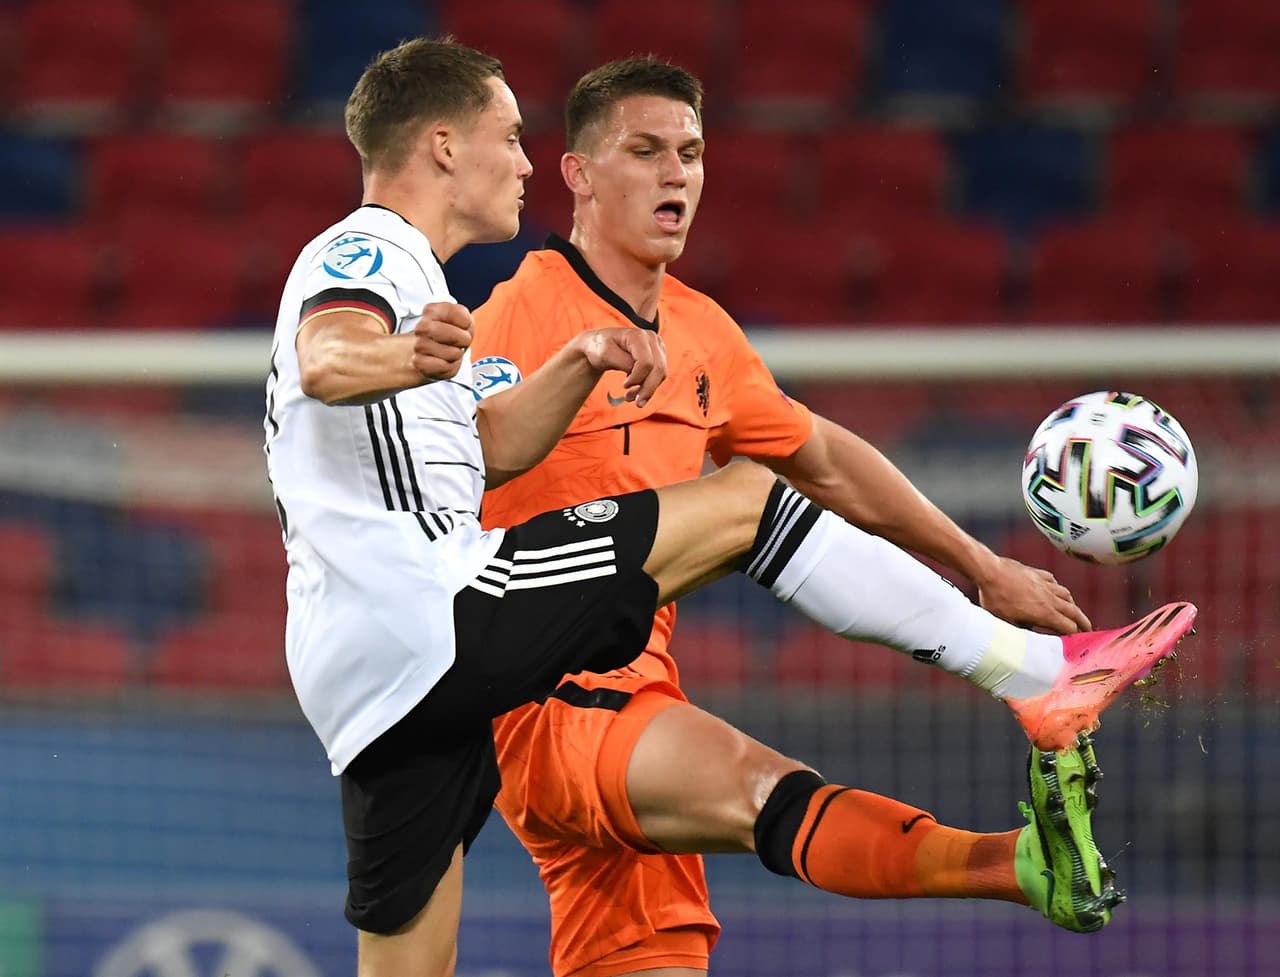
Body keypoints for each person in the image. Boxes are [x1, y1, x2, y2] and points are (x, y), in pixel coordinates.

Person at [470, 57, 1197, 977]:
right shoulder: (521, 313)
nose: (675, 175)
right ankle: (1033, 675)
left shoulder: (704, 333)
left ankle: (1022, 865)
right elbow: (476, 457)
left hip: (639, 695)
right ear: (576, 173)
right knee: (756, 756)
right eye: (645, 151)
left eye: (690, 154)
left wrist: (981, 563)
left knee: (695, 906)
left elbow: (824, 459)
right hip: (540, 694)